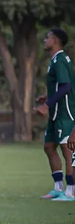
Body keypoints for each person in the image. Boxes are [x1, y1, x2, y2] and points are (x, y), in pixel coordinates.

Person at [37, 28, 74, 200]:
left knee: (68, 151)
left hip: (64, 113)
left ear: (56, 40)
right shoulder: (54, 60)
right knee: (49, 147)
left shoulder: (60, 59)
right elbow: (60, 85)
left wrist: (47, 105)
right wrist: (48, 96)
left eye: (48, 37)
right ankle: (58, 187)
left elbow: (66, 86)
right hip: (55, 114)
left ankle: (71, 191)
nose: (45, 40)